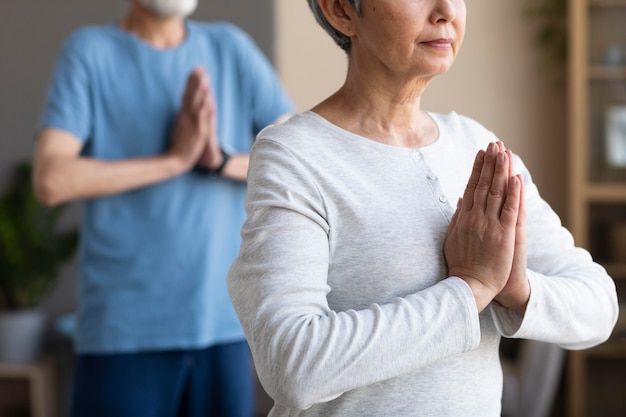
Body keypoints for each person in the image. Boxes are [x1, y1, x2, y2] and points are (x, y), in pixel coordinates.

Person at [226, 1, 619, 416]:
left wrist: (514, 288)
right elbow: (292, 365)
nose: (447, 10)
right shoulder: (294, 155)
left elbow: (599, 307)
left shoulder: (477, 146)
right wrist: (470, 290)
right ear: (342, 10)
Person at [32, 0, 294, 415]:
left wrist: (219, 161)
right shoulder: (90, 51)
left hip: (222, 327)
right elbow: (51, 179)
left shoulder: (230, 47)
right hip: (123, 334)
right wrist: (173, 160)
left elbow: (296, 162)